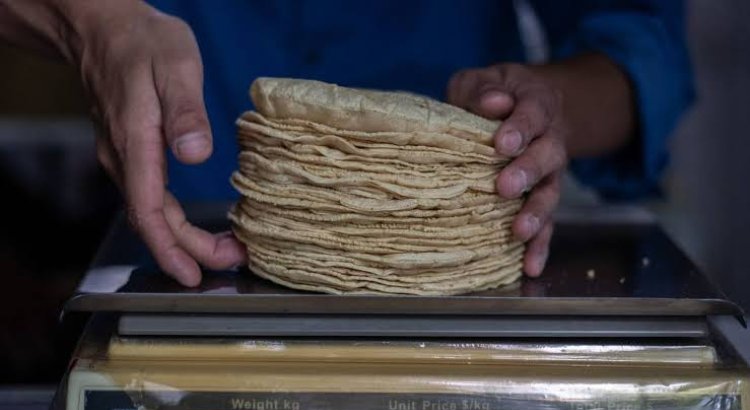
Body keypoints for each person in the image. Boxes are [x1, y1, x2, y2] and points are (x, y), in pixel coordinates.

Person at [0, 0, 693, 287]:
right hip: (182, 245)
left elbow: (644, 48)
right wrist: (90, 21)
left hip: (466, 240)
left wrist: (554, 107)